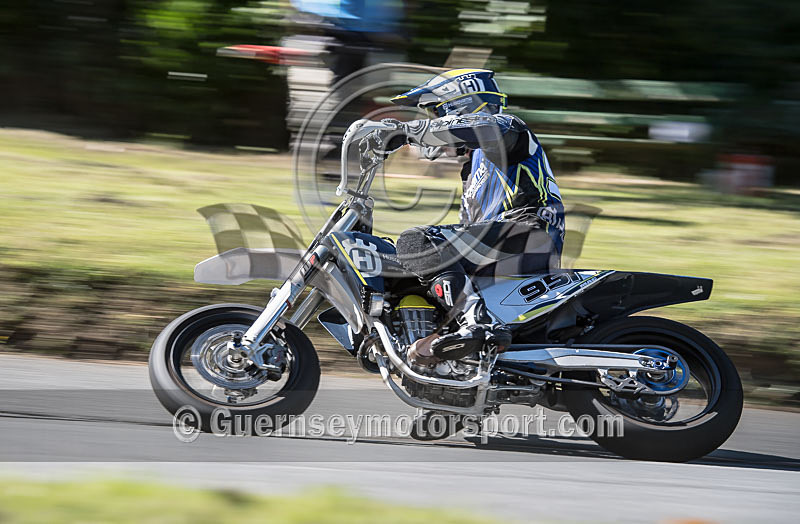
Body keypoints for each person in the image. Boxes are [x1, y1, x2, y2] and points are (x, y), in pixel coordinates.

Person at [360, 69, 565, 363]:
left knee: (418, 240)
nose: (435, 122)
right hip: (500, 244)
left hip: (529, 233)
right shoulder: (472, 168)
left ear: (461, 104)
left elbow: (479, 127)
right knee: (402, 265)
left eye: (437, 112)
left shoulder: (509, 130)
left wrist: (406, 131)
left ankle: (475, 322)